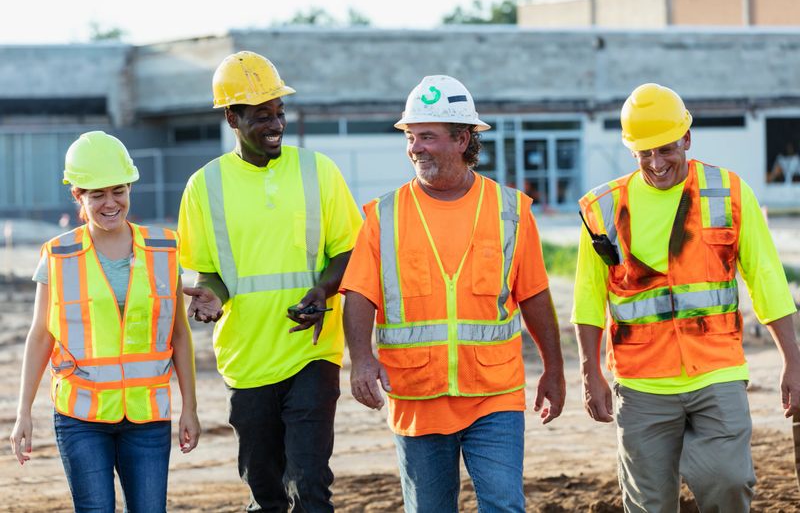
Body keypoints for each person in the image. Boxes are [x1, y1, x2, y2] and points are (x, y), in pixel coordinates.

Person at [341, 75, 566, 512]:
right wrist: (362, 360)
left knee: (504, 505)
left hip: (493, 393)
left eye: (427, 136)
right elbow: (359, 294)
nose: (415, 147)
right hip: (418, 395)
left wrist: (554, 369)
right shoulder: (383, 215)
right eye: (411, 137)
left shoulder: (511, 211)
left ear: (462, 139)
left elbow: (535, 295)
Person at [573, 83, 800, 512]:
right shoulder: (603, 208)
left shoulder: (728, 192)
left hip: (716, 370)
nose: (655, 164)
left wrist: (794, 358)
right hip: (641, 382)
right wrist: (589, 373)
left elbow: (766, 278)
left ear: (686, 140)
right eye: (644, 154)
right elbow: (588, 296)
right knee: (650, 503)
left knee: (729, 482)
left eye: (665, 150)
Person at [177, 51, 362, 511]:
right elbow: (210, 271)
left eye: (279, 112)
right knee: (267, 493)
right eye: (262, 115)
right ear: (231, 117)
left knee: (310, 486)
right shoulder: (205, 186)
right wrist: (210, 300)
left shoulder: (318, 171)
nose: (275, 123)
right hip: (246, 359)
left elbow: (349, 249)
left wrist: (324, 289)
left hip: (311, 352)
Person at [9, 131, 200, 513]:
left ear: (130, 188)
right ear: (78, 196)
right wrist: (22, 412)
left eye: (118, 191)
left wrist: (190, 408)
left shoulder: (164, 248)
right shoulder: (58, 255)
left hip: (147, 415)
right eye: (97, 195)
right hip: (81, 416)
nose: (110, 203)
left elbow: (179, 333)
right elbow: (41, 335)